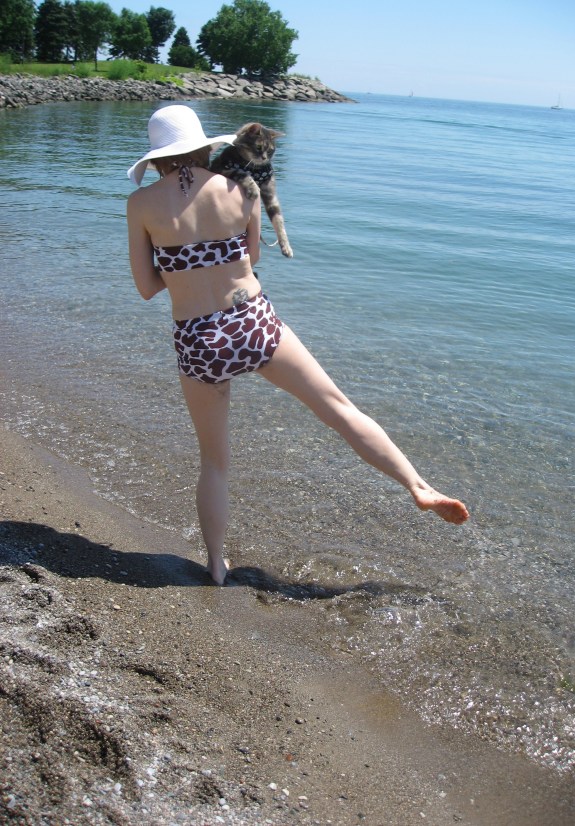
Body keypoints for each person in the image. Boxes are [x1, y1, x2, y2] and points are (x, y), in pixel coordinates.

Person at [126, 105, 469, 586]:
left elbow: (146, 286)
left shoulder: (141, 204)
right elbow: (253, 255)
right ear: (206, 145)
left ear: (157, 157)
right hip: (252, 319)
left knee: (214, 460)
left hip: (198, 338)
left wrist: (185, 266)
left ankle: (217, 564)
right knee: (338, 408)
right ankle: (418, 486)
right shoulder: (238, 189)